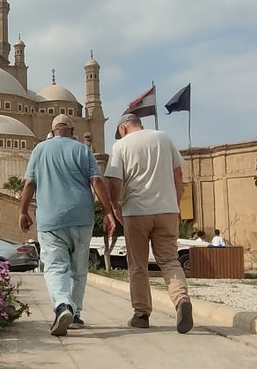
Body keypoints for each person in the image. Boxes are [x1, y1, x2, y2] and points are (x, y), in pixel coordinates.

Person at [18, 114, 116, 337]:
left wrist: (23, 211)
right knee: (78, 268)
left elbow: (29, 183)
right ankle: (76, 313)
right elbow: (96, 181)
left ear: (53, 132)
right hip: (82, 218)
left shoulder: (40, 150)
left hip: (51, 219)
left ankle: (63, 305)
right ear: (73, 132)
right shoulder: (83, 150)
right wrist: (108, 211)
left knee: (54, 266)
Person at [105, 113, 193, 334]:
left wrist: (115, 207)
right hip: (167, 210)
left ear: (123, 127)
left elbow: (114, 181)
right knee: (170, 261)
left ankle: (141, 314)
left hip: (137, 211)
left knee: (138, 265)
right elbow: (178, 174)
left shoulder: (121, 146)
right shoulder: (163, 138)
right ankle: (181, 300)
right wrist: (176, 204)